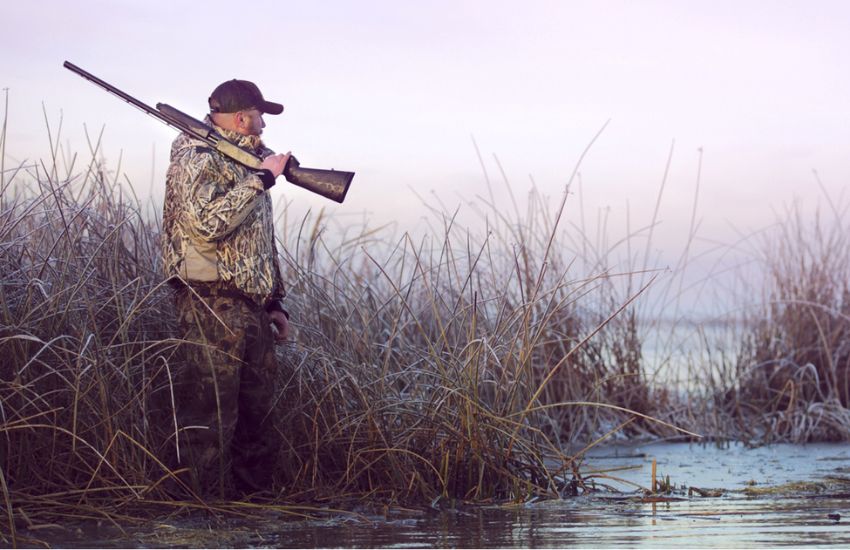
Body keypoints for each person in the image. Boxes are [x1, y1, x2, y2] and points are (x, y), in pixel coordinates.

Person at [161, 78, 291, 499]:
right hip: (210, 301)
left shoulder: (247, 160)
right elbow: (206, 225)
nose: (263, 126)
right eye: (259, 117)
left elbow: (257, 237)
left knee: (258, 417)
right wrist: (260, 181)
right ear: (241, 118)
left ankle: (255, 512)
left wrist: (274, 302)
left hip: (249, 304)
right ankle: (204, 515)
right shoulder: (196, 155)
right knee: (210, 416)